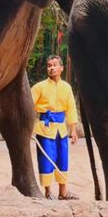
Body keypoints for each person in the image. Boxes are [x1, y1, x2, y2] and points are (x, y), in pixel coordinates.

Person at [31, 54, 79, 200]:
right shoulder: (39, 87)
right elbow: (29, 107)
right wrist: (29, 127)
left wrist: (73, 129)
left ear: (61, 68)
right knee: (46, 160)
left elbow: (71, 109)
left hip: (61, 130)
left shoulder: (66, 87)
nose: (51, 68)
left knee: (62, 159)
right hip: (44, 129)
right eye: (49, 66)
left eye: (54, 65)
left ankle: (63, 192)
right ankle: (47, 192)